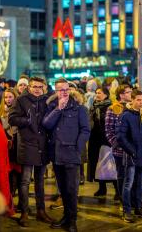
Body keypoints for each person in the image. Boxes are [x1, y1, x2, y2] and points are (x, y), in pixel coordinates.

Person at [43, 78, 90, 232]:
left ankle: (72, 221)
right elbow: (46, 124)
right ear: (56, 91)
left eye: (66, 89)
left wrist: (78, 147)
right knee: (62, 189)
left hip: (71, 154)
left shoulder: (79, 108)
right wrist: (58, 109)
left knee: (71, 190)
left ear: (70, 90)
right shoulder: (52, 106)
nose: (63, 92)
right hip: (56, 154)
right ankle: (65, 216)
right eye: (60, 90)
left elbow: (85, 130)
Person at [9, 77, 52, 227]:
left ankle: (41, 211)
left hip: (42, 146)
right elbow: (12, 118)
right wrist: (27, 121)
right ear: (29, 87)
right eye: (34, 86)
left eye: (40, 86)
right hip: (27, 145)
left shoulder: (46, 100)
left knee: (40, 182)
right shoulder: (21, 100)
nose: (37, 89)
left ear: (44, 87)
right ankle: (25, 212)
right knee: (25, 181)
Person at [117, 90, 142, 223]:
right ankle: (127, 210)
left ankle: (139, 208)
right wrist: (132, 151)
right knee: (128, 184)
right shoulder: (125, 116)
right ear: (132, 100)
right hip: (131, 156)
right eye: (138, 100)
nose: (141, 102)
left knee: (140, 183)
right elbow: (121, 137)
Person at [105, 84, 133, 202]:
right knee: (121, 175)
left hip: (133, 149)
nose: (131, 94)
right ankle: (123, 200)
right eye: (128, 92)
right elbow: (109, 130)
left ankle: (131, 200)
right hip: (120, 150)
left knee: (132, 176)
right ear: (121, 95)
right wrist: (117, 144)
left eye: (131, 91)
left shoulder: (133, 107)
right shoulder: (113, 108)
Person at [88, 87, 116, 196]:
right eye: (96, 93)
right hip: (95, 139)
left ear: (106, 95)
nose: (97, 94)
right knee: (98, 165)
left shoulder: (111, 106)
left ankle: (117, 191)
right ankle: (102, 188)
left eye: (99, 93)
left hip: (106, 139)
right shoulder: (94, 106)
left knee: (110, 165)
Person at [0, 88, 21, 209]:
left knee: (18, 174)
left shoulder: (19, 110)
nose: (8, 99)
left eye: (10, 97)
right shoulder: (1, 112)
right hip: (6, 146)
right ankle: (9, 200)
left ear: (15, 97)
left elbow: (15, 127)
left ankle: (20, 202)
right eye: (6, 97)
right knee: (9, 174)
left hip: (17, 144)